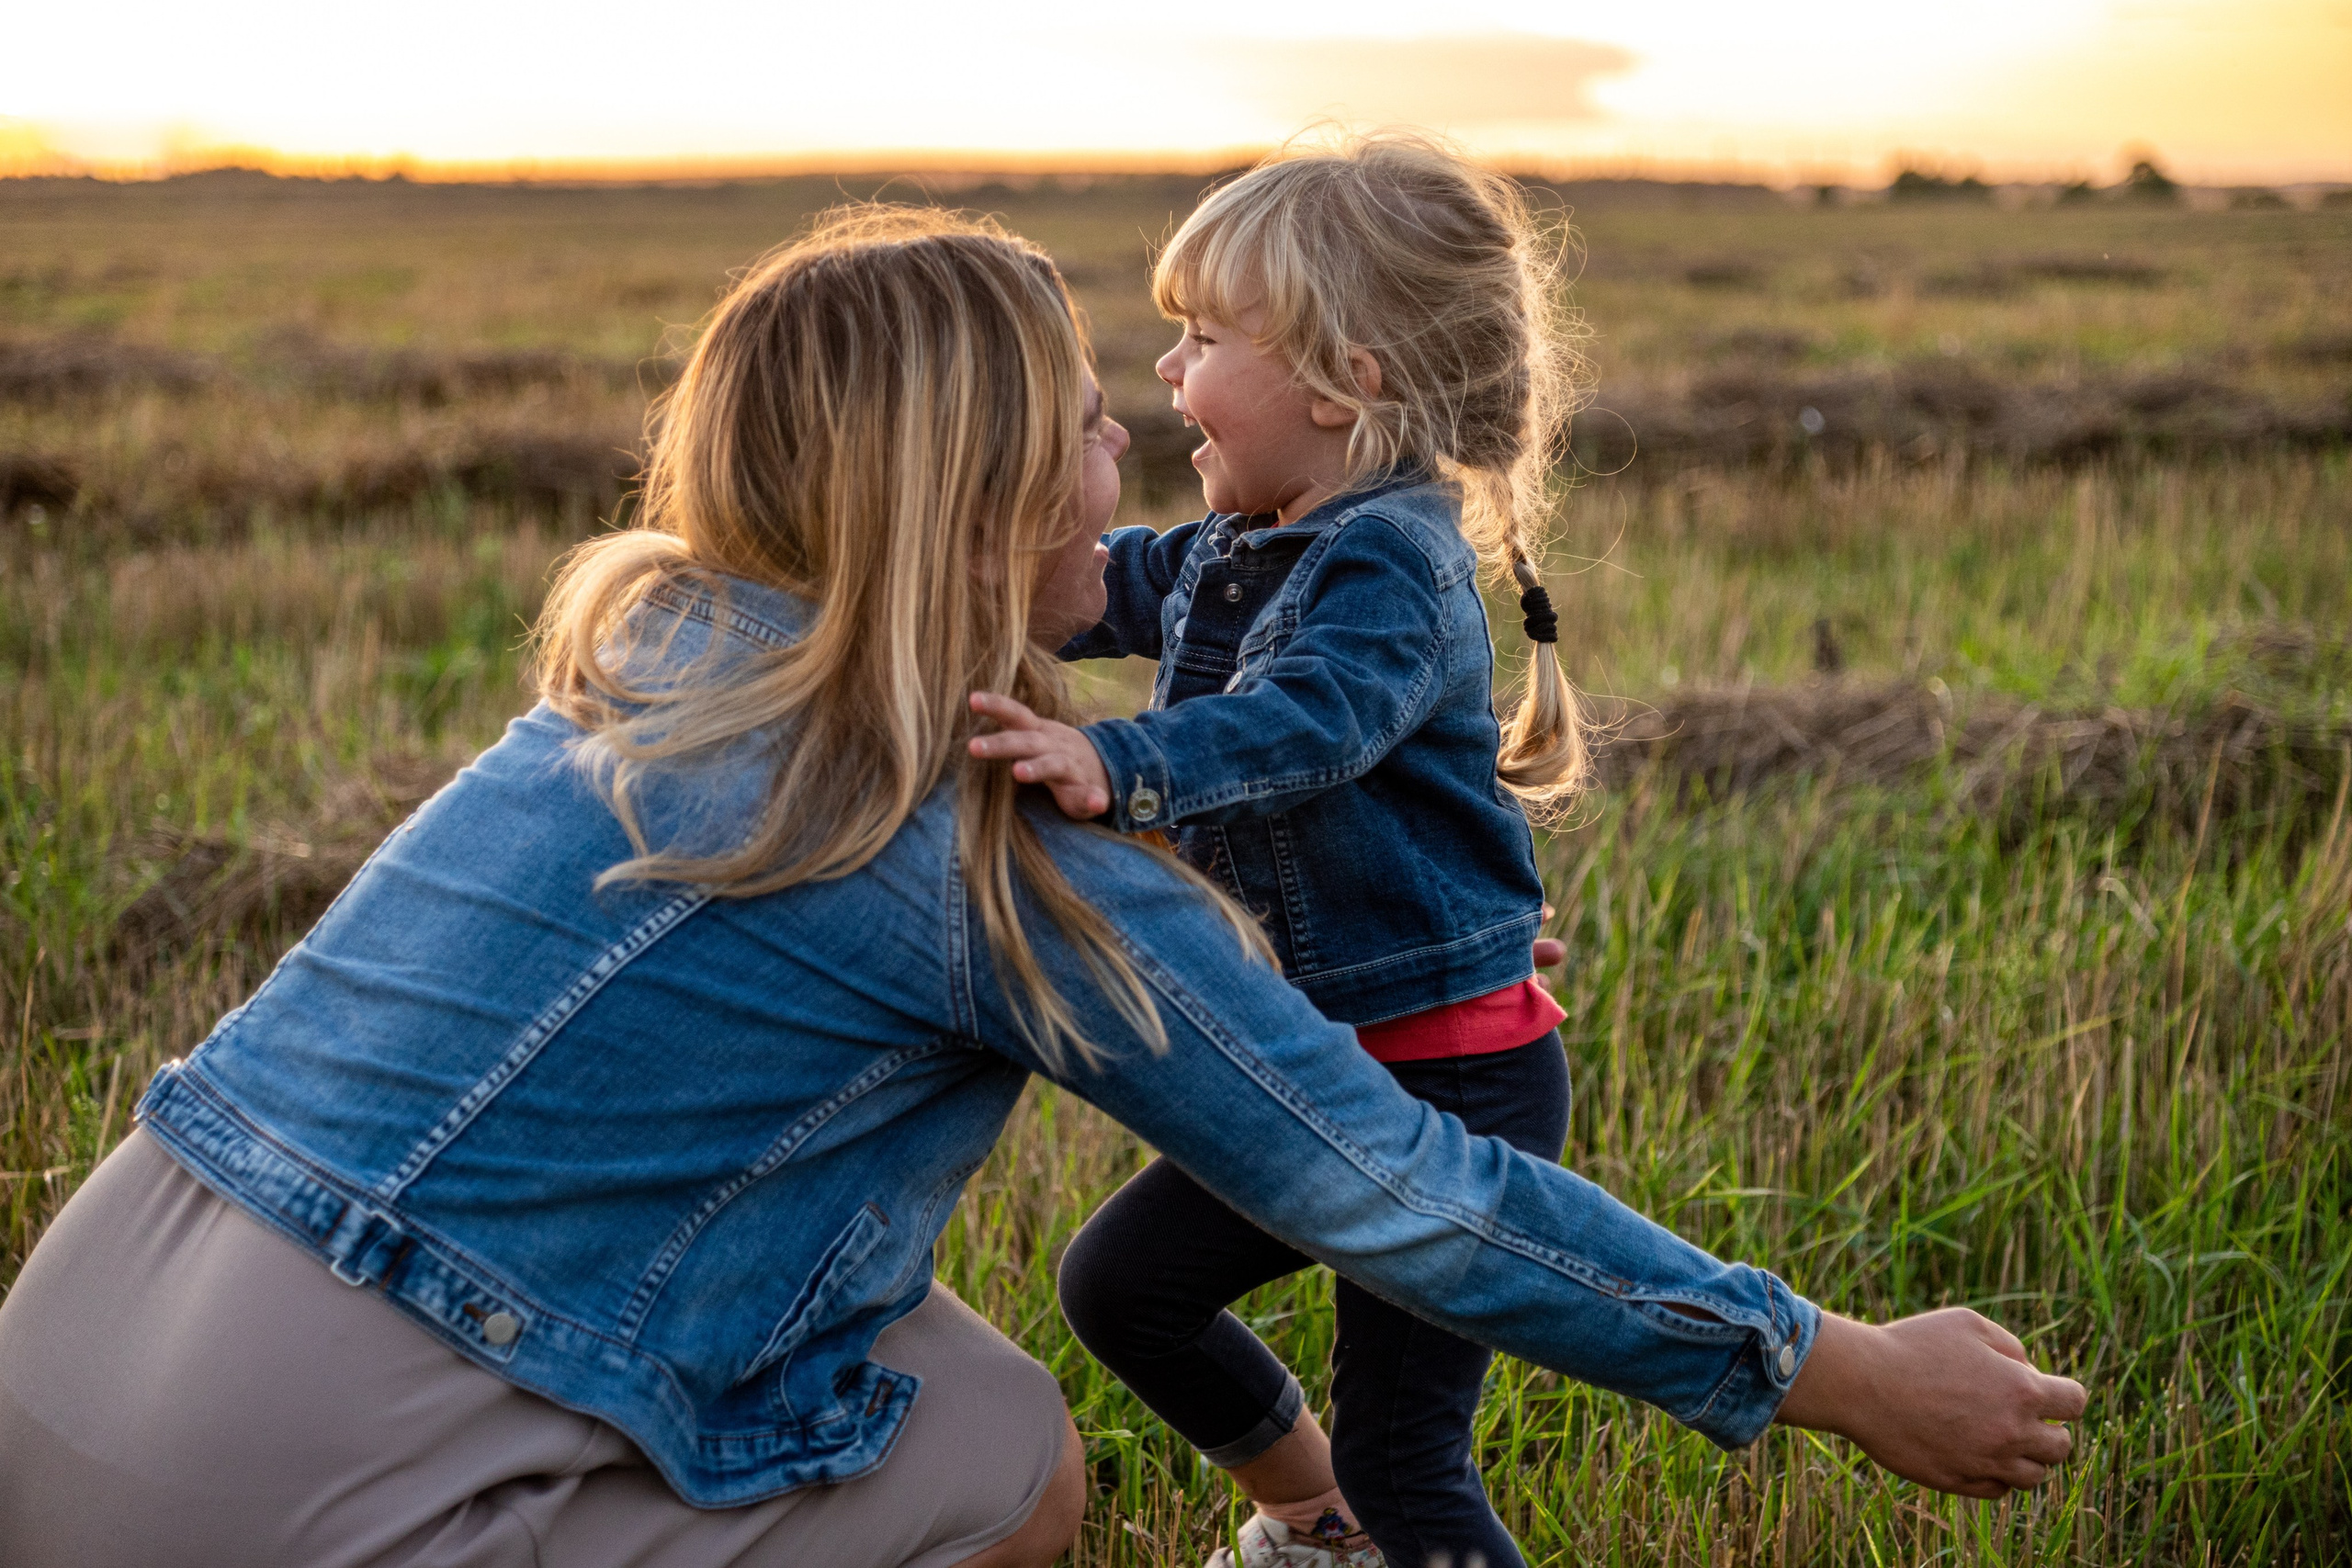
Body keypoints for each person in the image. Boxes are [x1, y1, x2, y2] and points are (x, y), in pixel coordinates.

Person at [0, 206, 2084, 1568]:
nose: (1132, 443)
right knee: (999, 1477)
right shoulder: (976, 849)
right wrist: (1831, 1363)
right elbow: (1388, 1181)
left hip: (77, 1352)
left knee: (960, 1390)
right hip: (286, 1501)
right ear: (978, 491)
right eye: (1088, 421)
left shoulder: (653, 670)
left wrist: (1323, 916)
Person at [965, 132, 1593, 1568]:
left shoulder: (1388, 564)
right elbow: (1099, 592)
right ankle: (1315, 1522)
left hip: (1449, 1082)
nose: (1167, 373)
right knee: (1120, 1289)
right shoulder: (1241, 540)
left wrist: (1110, 762)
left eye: (1199, 338)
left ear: (1341, 379)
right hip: (1325, 1063)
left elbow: (1304, 724)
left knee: (1412, 1456)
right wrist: (940, 571)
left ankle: (1359, 1510)